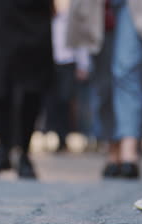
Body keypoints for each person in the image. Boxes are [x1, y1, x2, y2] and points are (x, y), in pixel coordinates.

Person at [0, 0, 54, 179]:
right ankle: (3, 149)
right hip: (0, 19)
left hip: (34, 21)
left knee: (31, 90)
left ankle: (24, 152)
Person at [109, 0, 142, 178]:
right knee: (104, 79)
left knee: (126, 71)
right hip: (97, 6)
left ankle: (128, 149)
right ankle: (113, 145)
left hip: (133, 5)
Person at [42, 0, 90, 152]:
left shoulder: (71, 19)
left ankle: (63, 135)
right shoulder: (48, 19)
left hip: (68, 63)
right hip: (51, 63)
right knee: (52, 101)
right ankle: (54, 132)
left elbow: (80, 44)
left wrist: (83, 65)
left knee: (65, 100)